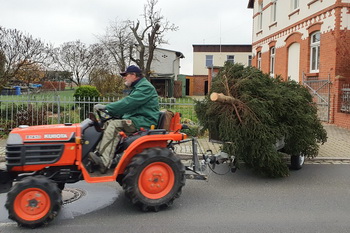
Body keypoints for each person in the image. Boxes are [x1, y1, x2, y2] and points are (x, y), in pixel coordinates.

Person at [89, 65, 159, 173]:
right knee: (108, 123)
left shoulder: (145, 87)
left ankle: (104, 162)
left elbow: (128, 103)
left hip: (143, 121)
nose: (124, 78)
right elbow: (130, 106)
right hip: (136, 118)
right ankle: (98, 154)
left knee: (114, 125)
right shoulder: (138, 87)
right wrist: (111, 112)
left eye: (125, 75)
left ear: (133, 75)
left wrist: (107, 107)